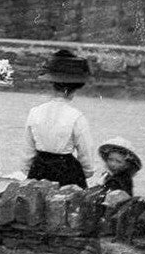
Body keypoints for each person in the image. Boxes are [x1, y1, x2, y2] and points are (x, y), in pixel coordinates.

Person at [22, 49, 96, 188]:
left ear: (53, 84)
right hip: (66, 171)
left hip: (39, 169)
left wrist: (29, 171)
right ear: (74, 89)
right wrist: (85, 172)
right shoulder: (76, 117)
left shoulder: (35, 112)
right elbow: (86, 152)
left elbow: (27, 151)